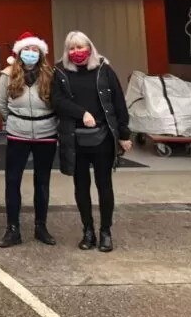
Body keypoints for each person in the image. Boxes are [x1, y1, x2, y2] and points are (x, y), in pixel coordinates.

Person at [51, 31, 132, 253]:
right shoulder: (59, 71)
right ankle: (88, 230)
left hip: (102, 138)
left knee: (104, 184)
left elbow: (118, 102)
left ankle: (106, 231)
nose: (76, 52)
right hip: (74, 138)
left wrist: (124, 134)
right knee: (81, 186)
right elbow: (57, 101)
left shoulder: (104, 70)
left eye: (80, 47)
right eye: (72, 48)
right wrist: (82, 113)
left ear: (90, 47)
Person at [0, 32, 57, 248]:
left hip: (46, 133)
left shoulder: (51, 74)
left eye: (35, 50)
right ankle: (13, 229)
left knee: (42, 182)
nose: (31, 53)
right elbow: (1, 103)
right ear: (19, 52)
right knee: (12, 181)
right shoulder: (7, 74)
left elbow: (57, 102)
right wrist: (15, 120)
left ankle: (41, 226)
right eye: (27, 50)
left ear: (41, 53)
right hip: (17, 133)